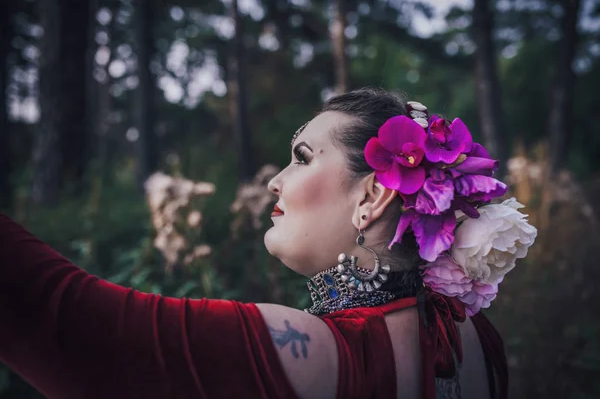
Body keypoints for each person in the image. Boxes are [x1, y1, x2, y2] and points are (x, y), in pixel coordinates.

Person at [0, 88, 536, 399]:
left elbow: (59, 319)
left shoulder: (316, 353)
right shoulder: (477, 340)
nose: (276, 181)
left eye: (302, 158)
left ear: (372, 197)